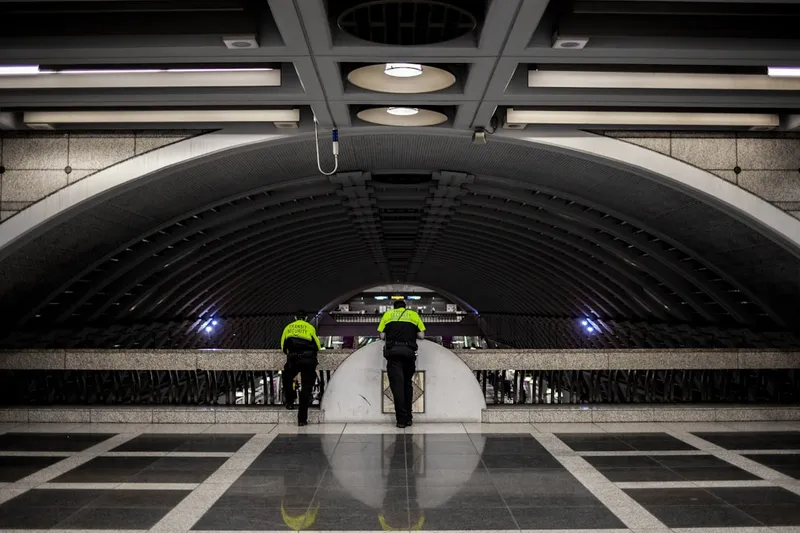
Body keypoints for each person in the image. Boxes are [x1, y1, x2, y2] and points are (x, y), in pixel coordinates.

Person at [377, 300, 426, 428]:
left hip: (393, 355)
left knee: (397, 387)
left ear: (394, 308)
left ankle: (401, 420)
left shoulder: (388, 315)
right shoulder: (413, 315)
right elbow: (421, 335)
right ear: (405, 307)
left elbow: (381, 336)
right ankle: (409, 418)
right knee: (407, 385)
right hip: (409, 353)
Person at [280, 312, 321, 426]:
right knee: (306, 388)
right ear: (306, 318)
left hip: (294, 359)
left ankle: (290, 402)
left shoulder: (288, 327)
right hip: (308, 359)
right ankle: (302, 419)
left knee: (287, 377)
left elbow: (283, 345)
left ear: (295, 318)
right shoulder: (309, 327)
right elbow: (317, 345)